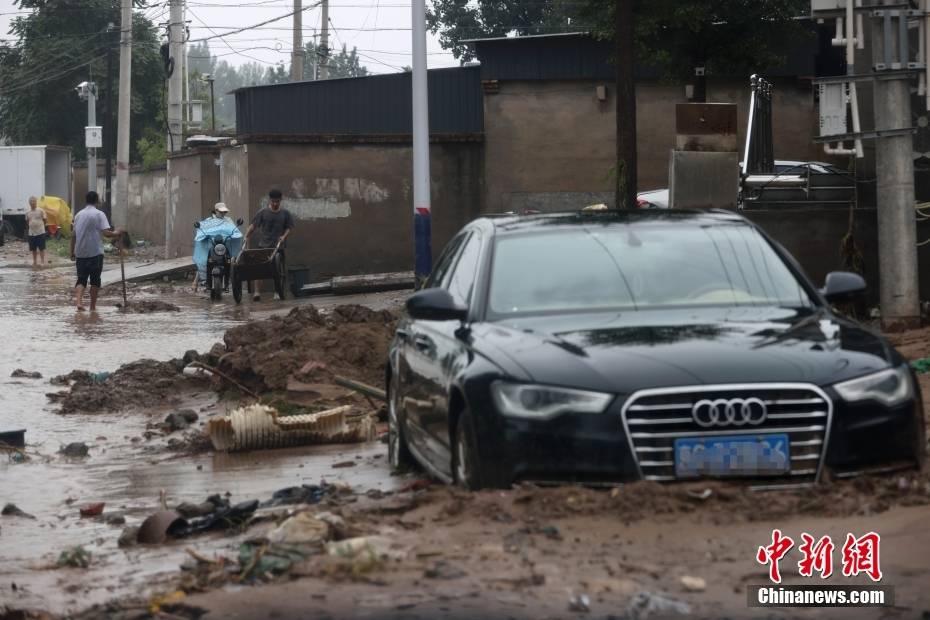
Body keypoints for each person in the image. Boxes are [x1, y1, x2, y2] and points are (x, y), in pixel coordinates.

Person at [70, 191, 122, 311]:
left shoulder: (78, 215)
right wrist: (117, 233)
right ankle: (92, 307)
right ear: (97, 200)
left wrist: (72, 252)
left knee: (81, 279)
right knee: (95, 280)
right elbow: (106, 233)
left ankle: (79, 302)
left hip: (81, 252)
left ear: (86, 200)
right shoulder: (99, 214)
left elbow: (73, 236)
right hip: (95, 253)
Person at [244, 189, 294, 301]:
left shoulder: (285, 213)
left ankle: (277, 292)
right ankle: (257, 293)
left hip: (278, 246)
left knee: (278, 270)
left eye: (277, 201)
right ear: (269, 200)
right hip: (264, 246)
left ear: (281, 200)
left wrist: (283, 236)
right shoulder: (263, 212)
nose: (275, 204)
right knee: (259, 269)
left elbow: (289, 227)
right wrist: (247, 235)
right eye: (273, 201)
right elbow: (253, 225)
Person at [25, 196, 48, 267]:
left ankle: (42, 262)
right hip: (31, 233)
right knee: (33, 249)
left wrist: (40, 226)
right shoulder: (27, 212)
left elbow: (45, 220)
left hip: (40, 232)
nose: (32, 203)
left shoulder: (41, 210)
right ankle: (35, 261)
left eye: (34, 201)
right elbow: (27, 222)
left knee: (41, 248)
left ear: (36, 202)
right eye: (31, 201)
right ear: (29, 203)